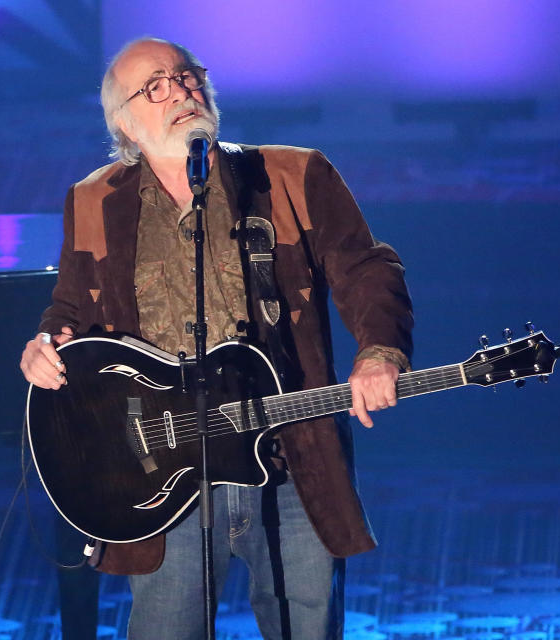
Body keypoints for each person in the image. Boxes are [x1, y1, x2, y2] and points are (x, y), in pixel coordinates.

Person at [20, 37, 413, 640]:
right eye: (156, 85)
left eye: (186, 75)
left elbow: (366, 268)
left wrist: (378, 353)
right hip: (163, 478)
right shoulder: (94, 200)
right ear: (124, 122)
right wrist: (46, 343)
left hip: (289, 457)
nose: (180, 89)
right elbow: (70, 308)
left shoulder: (290, 174)